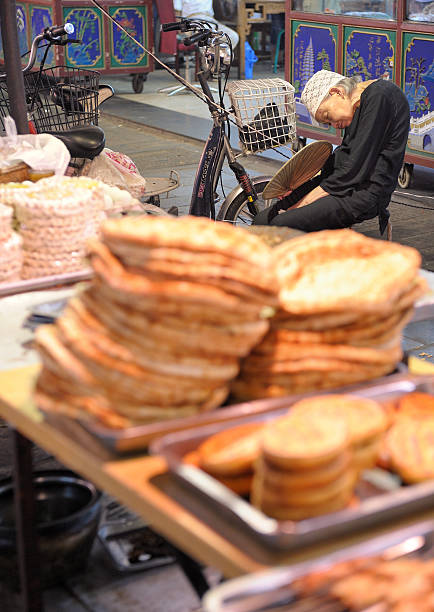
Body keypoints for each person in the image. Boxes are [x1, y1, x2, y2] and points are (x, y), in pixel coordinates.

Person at [253, 70, 410, 234]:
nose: (334, 125)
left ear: (337, 92)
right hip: (341, 183)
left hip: (363, 193)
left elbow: (353, 168)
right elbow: (343, 159)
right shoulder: (358, 104)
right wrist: (301, 184)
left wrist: (301, 204)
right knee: (261, 220)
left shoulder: (380, 96)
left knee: (280, 223)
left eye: (328, 116)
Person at [173, 0, 239, 49]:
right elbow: (177, 12)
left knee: (233, 36)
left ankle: (219, 60)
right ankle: (210, 62)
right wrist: (180, 31)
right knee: (205, 37)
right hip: (192, 21)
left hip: (210, 20)